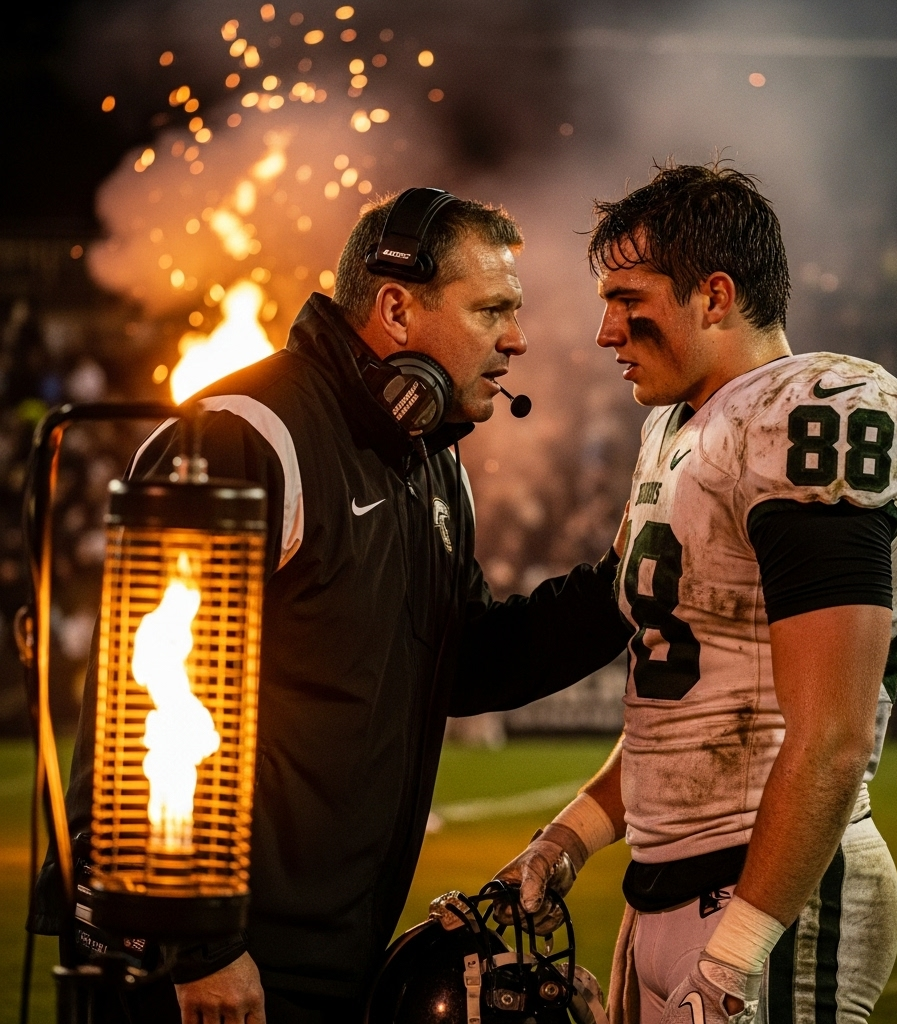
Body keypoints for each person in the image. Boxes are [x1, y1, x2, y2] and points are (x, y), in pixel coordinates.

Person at [33, 192, 632, 1023]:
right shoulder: (243, 433)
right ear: (395, 306)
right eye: (492, 309)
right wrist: (189, 946)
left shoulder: (428, 464)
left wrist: (623, 586)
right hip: (205, 966)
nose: (516, 339)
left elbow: (462, 661)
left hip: (327, 958)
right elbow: (147, 698)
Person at [494, 165, 897, 1024]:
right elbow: (692, 700)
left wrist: (734, 955)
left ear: (715, 296)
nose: (604, 331)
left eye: (627, 299)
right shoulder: (673, 427)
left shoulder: (815, 412)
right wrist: (569, 838)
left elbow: (833, 738)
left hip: (768, 895)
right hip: (666, 887)